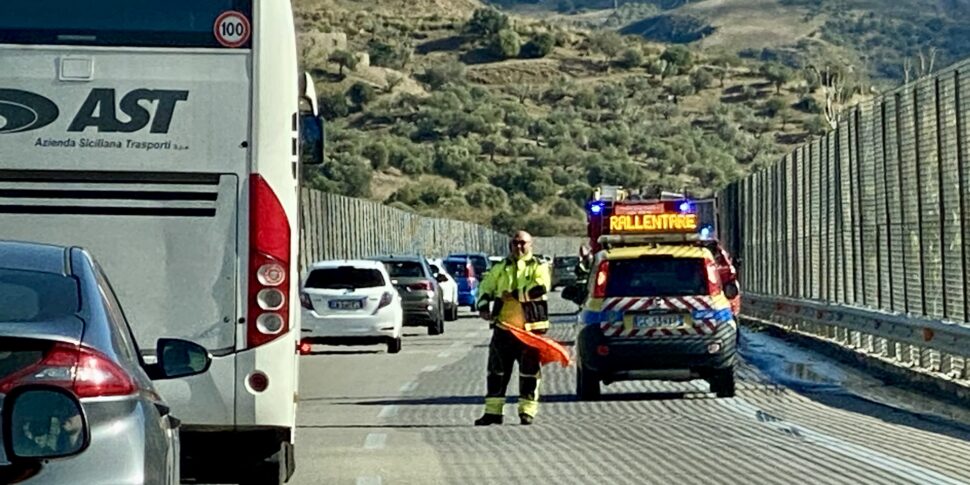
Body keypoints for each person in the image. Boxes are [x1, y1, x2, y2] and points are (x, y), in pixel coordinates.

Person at [474, 230, 551, 426]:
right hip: (504, 329)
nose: (518, 247)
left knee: (529, 373)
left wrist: (515, 295)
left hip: (530, 331)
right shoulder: (500, 267)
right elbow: (485, 287)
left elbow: (540, 288)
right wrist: (483, 305)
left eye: (522, 243)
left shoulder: (538, 266)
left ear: (530, 245)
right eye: (515, 243)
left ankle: (527, 412)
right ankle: (493, 413)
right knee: (496, 373)